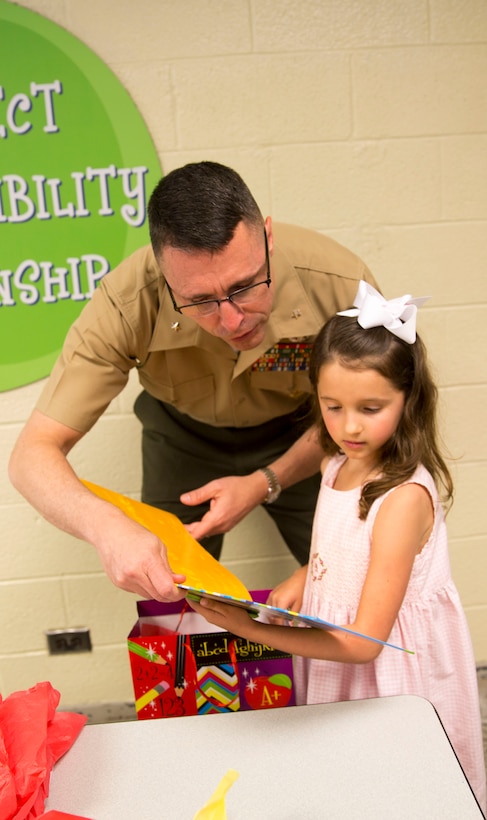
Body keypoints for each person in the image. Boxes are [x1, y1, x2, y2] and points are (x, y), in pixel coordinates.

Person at [8, 161, 379, 603]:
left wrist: (266, 480)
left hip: (309, 433)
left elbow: (380, 408)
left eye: (246, 286)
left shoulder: (339, 284)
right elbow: (31, 456)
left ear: (269, 237)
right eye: (199, 301)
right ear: (164, 278)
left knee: (351, 581)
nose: (231, 320)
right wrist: (107, 528)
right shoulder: (126, 301)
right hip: (182, 437)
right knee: (166, 595)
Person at [189, 282, 487, 813]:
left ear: (408, 400)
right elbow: (345, 545)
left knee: (397, 788)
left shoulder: (401, 501)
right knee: (347, 780)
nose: (349, 426)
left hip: (389, 673)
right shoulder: (336, 464)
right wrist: (308, 577)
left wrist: (248, 629)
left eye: (371, 408)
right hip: (340, 654)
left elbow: (365, 644)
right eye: (332, 407)